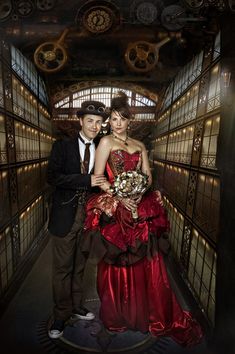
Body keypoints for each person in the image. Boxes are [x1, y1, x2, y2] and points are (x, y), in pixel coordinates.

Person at [82, 92, 203, 347]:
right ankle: (119, 316)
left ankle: (145, 314)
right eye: (113, 119)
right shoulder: (104, 143)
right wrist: (119, 194)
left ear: (129, 122)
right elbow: (98, 177)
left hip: (140, 205)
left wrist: (139, 190)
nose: (117, 123)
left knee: (147, 263)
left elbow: (147, 175)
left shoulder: (139, 146)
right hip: (117, 208)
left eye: (121, 119)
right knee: (118, 263)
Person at [47, 100, 108, 339]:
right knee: (62, 269)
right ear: (80, 121)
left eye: (99, 122)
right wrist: (87, 181)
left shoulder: (103, 148)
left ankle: (77, 305)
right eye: (90, 121)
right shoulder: (62, 146)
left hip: (89, 218)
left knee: (80, 265)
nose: (94, 126)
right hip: (65, 216)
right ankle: (61, 315)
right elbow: (52, 177)